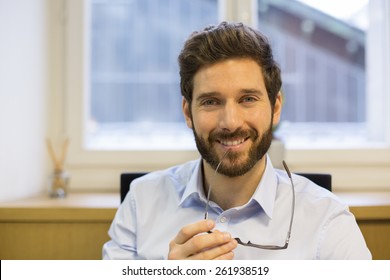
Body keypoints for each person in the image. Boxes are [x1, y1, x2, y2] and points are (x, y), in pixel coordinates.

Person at [103, 22, 371, 260]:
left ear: (275, 107)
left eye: (248, 99)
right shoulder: (141, 202)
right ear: (188, 113)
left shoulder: (328, 221)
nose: (230, 122)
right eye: (211, 101)